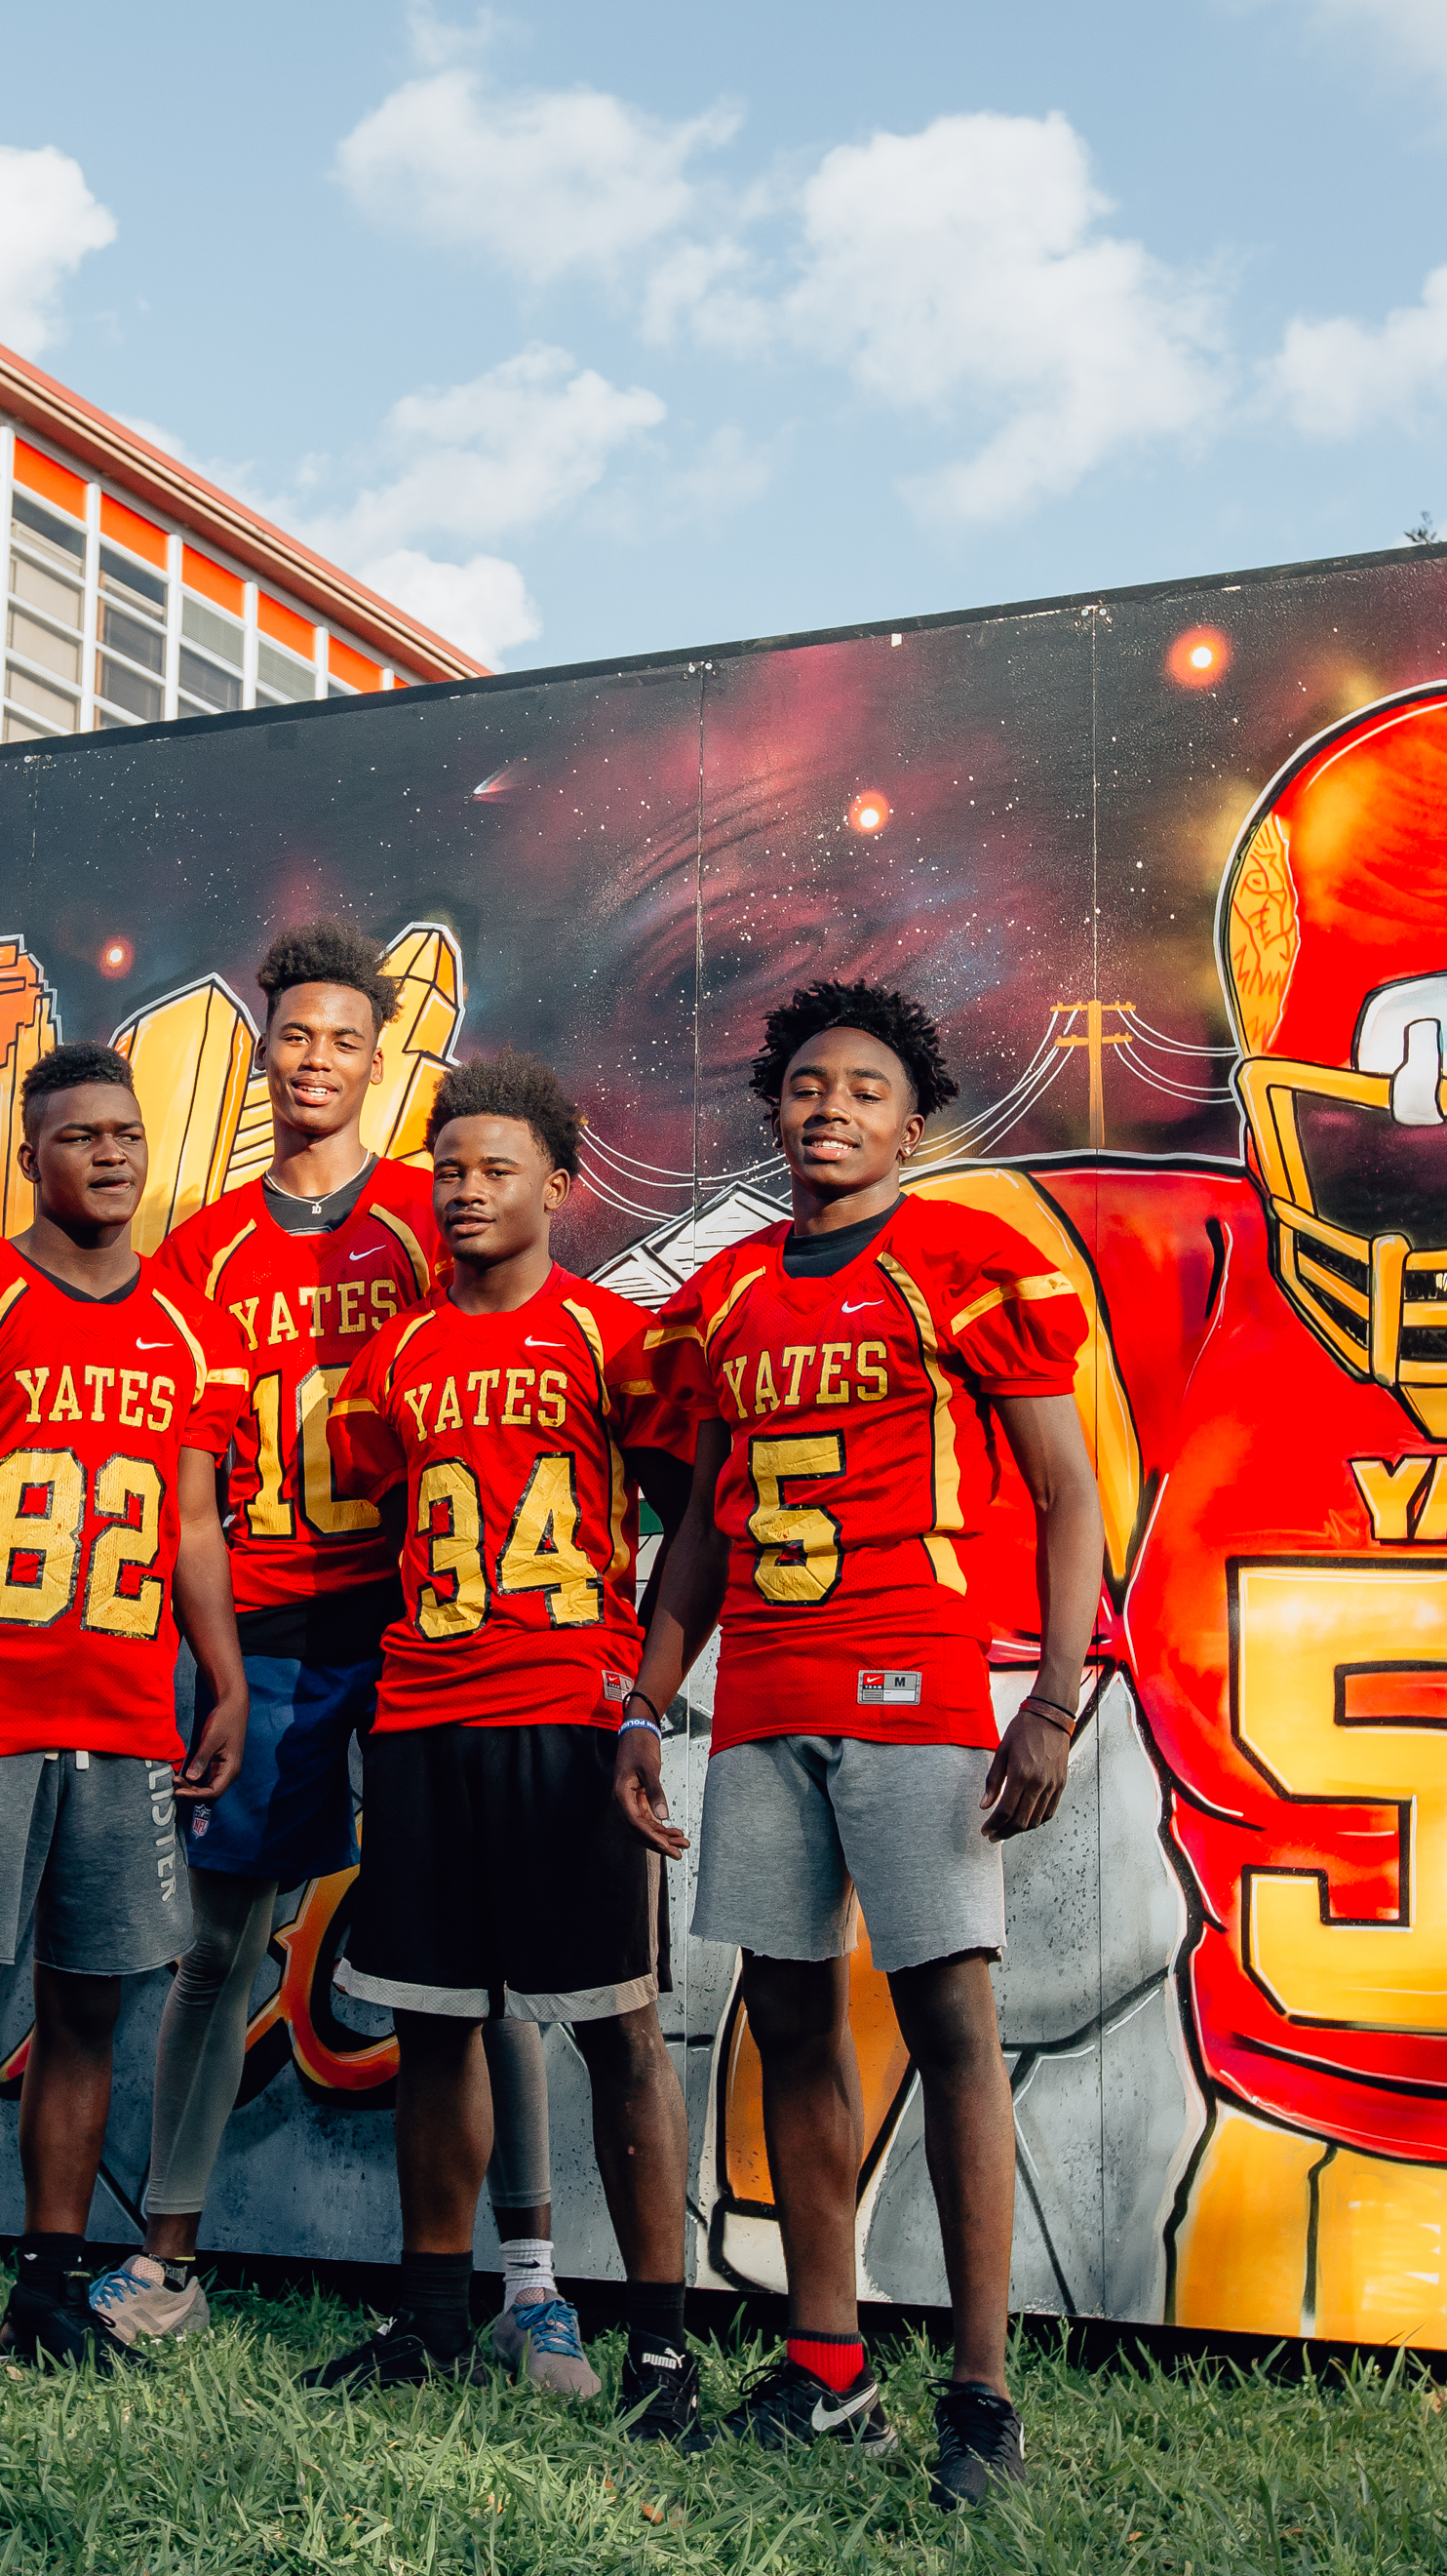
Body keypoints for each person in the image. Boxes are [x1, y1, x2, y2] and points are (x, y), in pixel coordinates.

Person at [619, 978, 1105, 2511]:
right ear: (775, 1109)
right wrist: (649, 1691)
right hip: (766, 1695)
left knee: (950, 2025)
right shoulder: (736, 1288)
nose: (829, 1107)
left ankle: (979, 2389)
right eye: (805, 1085)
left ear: (914, 1119)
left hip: (915, 1684)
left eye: (863, 1088)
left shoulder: (969, 1260)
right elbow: (705, 1517)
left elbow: (1069, 1493)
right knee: (789, 2021)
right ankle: (827, 2365)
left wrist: (1054, 1696)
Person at [96, 923, 567, 2392]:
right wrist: (220, 1664)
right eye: (292, 1035)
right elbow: (183, 1485)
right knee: (220, 1944)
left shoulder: (445, 1217)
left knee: (485, 1964)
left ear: (380, 1058)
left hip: (432, 1621)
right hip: (277, 1628)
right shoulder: (203, 1247)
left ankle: (533, 2282)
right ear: (266, 1051)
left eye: (341, 1039)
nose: (314, 1060)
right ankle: (167, 2257)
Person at [295, 1054, 702, 2434]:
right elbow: (369, 1523)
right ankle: (427, 2316)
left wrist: (647, 1692)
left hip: (567, 1718)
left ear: (560, 1183)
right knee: (431, 2029)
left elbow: (687, 1525)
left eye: (497, 1169)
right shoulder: (397, 1350)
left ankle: (660, 2343)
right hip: (424, 1716)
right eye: (450, 1170)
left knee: (618, 2035)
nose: (467, 1192)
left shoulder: (612, 1337)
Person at [0, 1040, 251, 2401]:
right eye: (79, 1133)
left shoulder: (193, 1326)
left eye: (127, 1131)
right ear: (31, 1155)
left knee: (92, 2009)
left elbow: (196, 1521)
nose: (111, 1152)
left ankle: (43, 2283)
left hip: (130, 1714)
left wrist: (226, 1672)